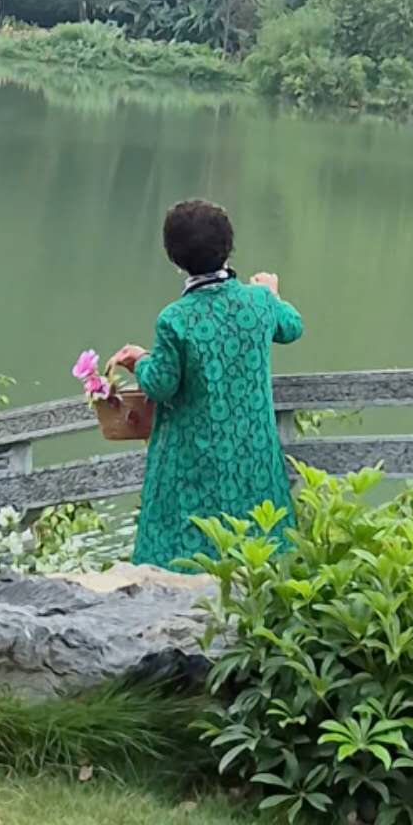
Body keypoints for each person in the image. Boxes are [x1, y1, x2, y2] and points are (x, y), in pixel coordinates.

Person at [112, 199, 303, 572]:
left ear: (174, 257)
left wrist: (139, 360)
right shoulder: (259, 303)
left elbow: (162, 385)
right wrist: (273, 292)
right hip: (251, 446)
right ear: (228, 248)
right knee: (255, 536)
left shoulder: (175, 319)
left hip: (191, 454)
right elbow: (292, 327)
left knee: (186, 538)